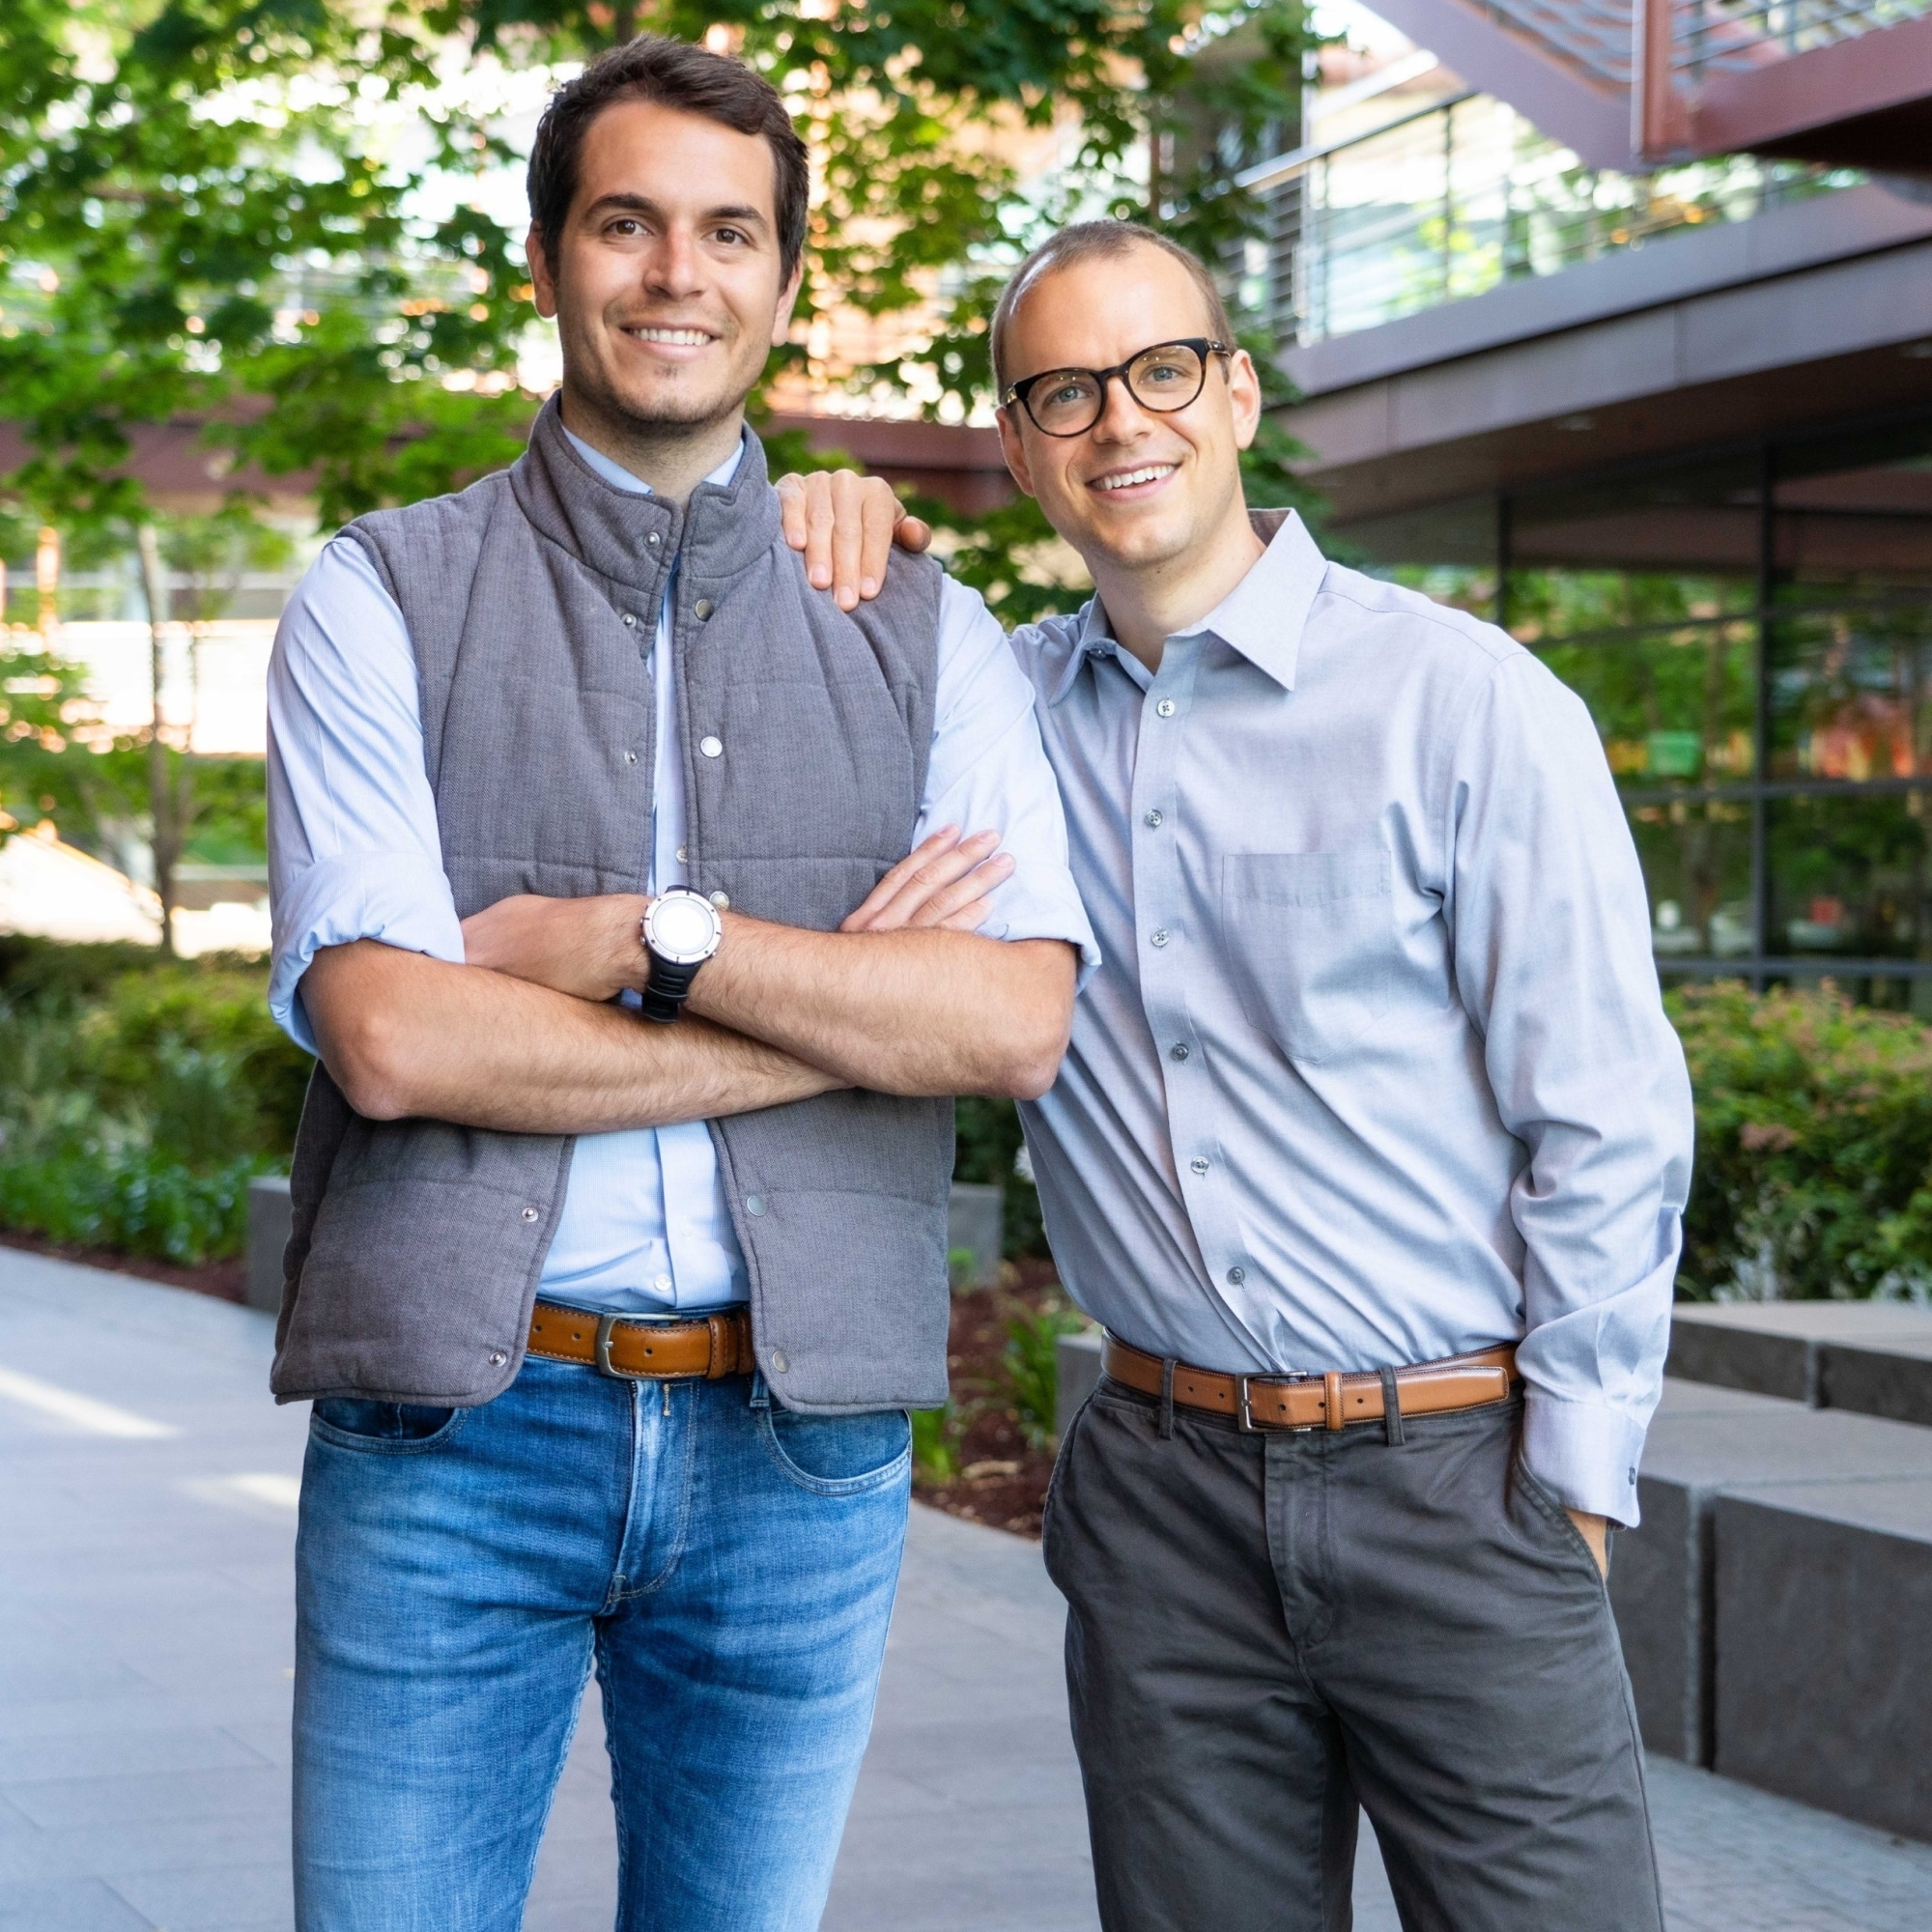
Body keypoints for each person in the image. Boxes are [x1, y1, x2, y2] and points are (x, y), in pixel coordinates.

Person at [776, 219, 1695, 1931]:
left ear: (1239, 389)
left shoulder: (1466, 704)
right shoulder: (999, 717)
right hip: (1163, 1495)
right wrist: (799, 507)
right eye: (1064, 391)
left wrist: (1571, 1485)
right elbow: (790, 659)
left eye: (1163, 368)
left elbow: (1606, 1115)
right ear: (1019, 445)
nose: (1123, 421)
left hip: (1460, 1477)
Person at [265, 36, 1094, 1932]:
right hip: (456, 1438)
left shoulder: (923, 622)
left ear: (786, 281)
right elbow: (391, 1038)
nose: (675, 274)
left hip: (796, 1457)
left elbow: (1011, 1025)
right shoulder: (372, 594)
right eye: (625, 223)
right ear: (548, 259)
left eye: (729, 233)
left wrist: (653, 943)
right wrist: (845, 1018)